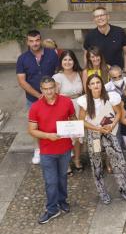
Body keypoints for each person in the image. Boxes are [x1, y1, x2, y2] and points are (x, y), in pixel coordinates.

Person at [78, 74, 126, 204]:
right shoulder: (85, 101)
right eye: (92, 83)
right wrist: (97, 129)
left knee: (118, 160)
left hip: (109, 132)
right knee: (96, 163)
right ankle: (102, 192)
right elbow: (81, 121)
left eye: (98, 82)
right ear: (88, 86)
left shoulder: (110, 97)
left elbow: (118, 112)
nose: (96, 85)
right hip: (94, 135)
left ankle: (125, 189)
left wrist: (112, 124)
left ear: (101, 84)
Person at [27, 76, 76, 224]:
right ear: (41, 90)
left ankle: (62, 201)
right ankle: (52, 209)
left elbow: (72, 118)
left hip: (65, 148)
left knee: (62, 178)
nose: (49, 91)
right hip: (47, 151)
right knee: (50, 181)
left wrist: (74, 128)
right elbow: (31, 130)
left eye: (51, 88)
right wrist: (48, 135)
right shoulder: (35, 107)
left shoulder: (67, 101)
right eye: (45, 89)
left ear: (56, 88)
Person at [16, 30, 58, 164]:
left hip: (53, 96)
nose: (34, 43)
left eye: (37, 40)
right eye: (31, 41)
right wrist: (39, 95)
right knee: (36, 125)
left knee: (56, 121)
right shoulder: (22, 58)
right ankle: (38, 149)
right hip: (33, 99)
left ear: (41, 40)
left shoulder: (52, 54)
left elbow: (58, 73)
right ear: (27, 42)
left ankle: (58, 146)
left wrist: (53, 92)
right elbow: (22, 81)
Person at [52, 50, 85, 173]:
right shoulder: (57, 77)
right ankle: (66, 164)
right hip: (64, 108)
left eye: (70, 59)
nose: (67, 62)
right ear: (61, 62)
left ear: (74, 61)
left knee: (78, 136)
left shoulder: (79, 74)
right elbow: (54, 96)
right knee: (65, 137)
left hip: (79, 106)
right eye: (65, 60)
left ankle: (77, 160)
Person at [83, 6, 126, 71]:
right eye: (96, 16)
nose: (99, 18)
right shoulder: (90, 35)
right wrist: (88, 71)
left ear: (108, 17)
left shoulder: (119, 31)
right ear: (94, 20)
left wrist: (125, 70)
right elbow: (86, 55)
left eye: (102, 15)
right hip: (98, 74)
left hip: (118, 73)